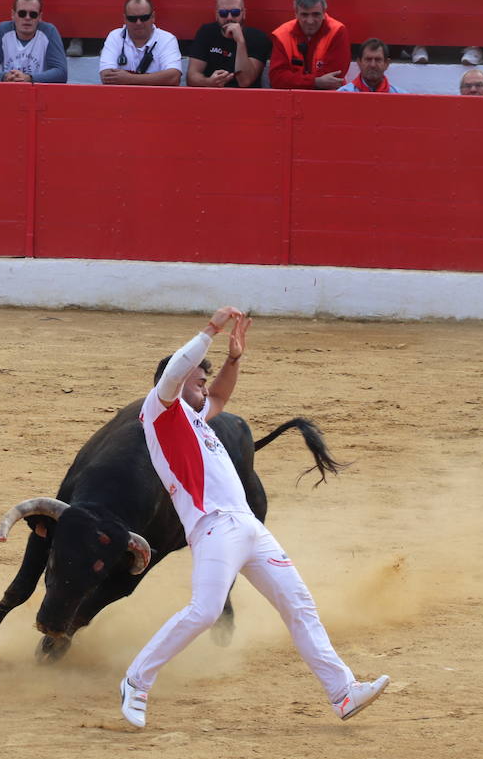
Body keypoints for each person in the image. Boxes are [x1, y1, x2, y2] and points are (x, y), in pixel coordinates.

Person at [118, 306, 390, 729]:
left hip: (248, 527)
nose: (205, 386)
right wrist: (210, 329)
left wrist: (234, 358)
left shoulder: (196, 420)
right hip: (213, 528)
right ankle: (136, 681)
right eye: (198, 378)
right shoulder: (159, 413)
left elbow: (222, 397)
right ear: (175, 379)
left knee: (299, 604)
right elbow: (175, 372)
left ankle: (343, 692)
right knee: (205, 611)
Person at [268, 0, 351, 90]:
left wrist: (296, 81)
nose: (310, 21)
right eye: (304, 15)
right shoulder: (282, 35)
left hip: (329, 97)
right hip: (291, 99)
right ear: (296, 14)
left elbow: (334, 79)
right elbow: (277, 79)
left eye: (316, 14)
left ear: (324, 12)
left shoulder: (338, 31)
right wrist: (315, 82)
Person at [185, 0, 271, 88]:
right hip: (211, 94)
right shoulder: (206, 32)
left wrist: (240, 41)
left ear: (244, 14)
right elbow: (191, 77)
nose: (229, 18)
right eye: (223, 13)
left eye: (235, 12)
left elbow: (245, 81)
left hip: (245, 98)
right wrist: (209, 82)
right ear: (216, 15)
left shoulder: (258, 38)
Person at [0, 0, 69, 83]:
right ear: (13, 15)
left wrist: (29, 78)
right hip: (7, 90)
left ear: (40, 17)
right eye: (22, 13)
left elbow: (61, 73)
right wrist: (5, 76)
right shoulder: (2, 31)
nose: (27, 18)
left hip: (40, 93)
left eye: (33, 14)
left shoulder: (49, 32)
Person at [99, 0, 183, 86]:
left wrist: (129, 78)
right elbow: (106, 76)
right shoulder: (115, 36)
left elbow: (173, 78)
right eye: (132, 19)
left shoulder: (167, 39)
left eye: (144, 18)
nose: (138, 23)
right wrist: (154, 79)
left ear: (153, 17)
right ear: (124, 19)